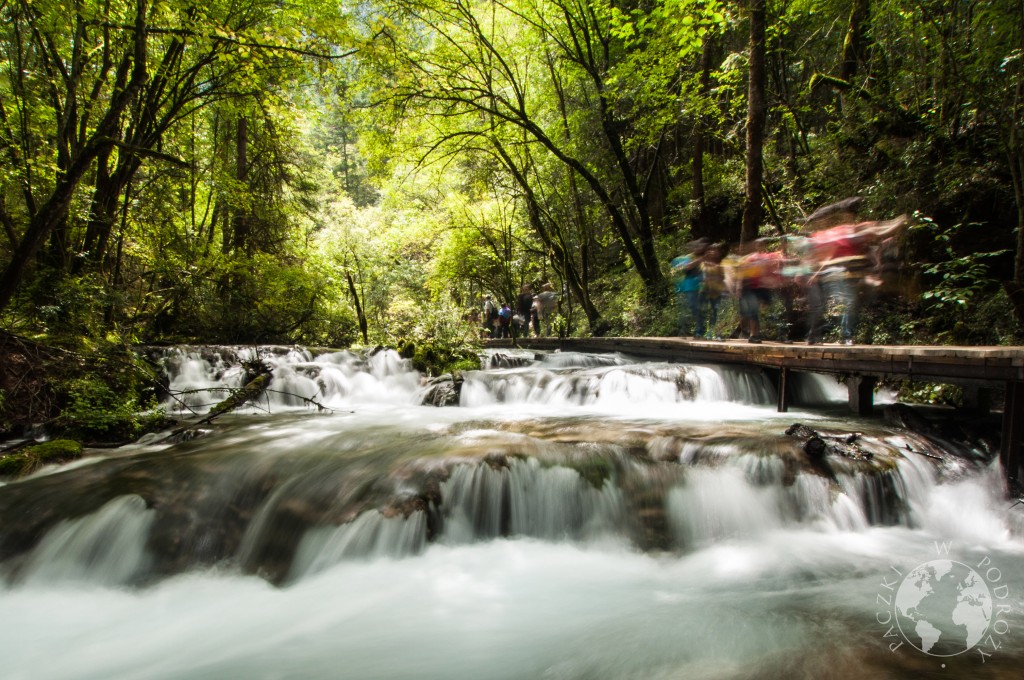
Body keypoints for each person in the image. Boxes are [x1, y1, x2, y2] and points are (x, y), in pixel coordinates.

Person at [733, 239, 782, 343]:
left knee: (766, 309)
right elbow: (743, 273)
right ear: (756, 246)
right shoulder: (751, 258)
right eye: (758, 245)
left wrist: (775, 281)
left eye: (762, 245)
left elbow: (773, 270)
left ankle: (776, 332)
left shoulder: (768, 258)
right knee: (753, 311)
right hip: (752, 288)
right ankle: (754, 334)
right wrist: (739, 287)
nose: (760, 246)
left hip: (764, 287)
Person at [670, 239, 709, 338]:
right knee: (693, 308)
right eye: (698, 246)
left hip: (703, 288)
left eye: (702, 246)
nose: (700, 248)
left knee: (701, 309)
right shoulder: (689, 257)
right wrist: (700, 260)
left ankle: (699, 331)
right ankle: (684, 331)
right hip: (690, 287)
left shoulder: (706, 259)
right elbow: (687, 267)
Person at [700, 243, 726, 340]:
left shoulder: (721, 265)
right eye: (711, 250)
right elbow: (703, 277)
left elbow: (722, 277)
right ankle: (701, 332)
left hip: (717, 292)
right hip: (705, 291)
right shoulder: (704, 264)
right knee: (703, 312)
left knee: (715, 313)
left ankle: (713, 333)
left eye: (716, 250)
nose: (713, 252)